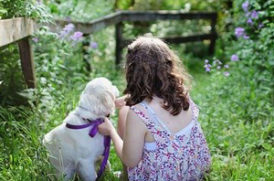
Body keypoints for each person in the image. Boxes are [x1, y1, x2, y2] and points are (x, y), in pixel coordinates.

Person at [98, 36, 211, 180]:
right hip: (193, 173)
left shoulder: (138, 114)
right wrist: (128, 99)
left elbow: (130, 161)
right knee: (127, 109)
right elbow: (157, 102)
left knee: (125, 112)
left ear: (133, 71)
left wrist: (111, 131)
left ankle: (125, 177)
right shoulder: (182, 96)